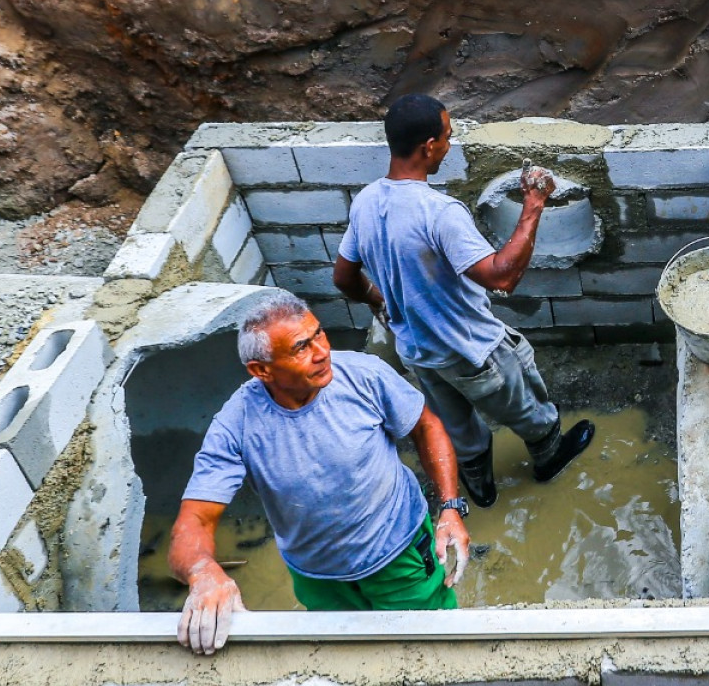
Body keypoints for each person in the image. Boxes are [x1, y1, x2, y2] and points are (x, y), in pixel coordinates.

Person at [332, 93, 592, 512]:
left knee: (457, 426)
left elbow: (344, 278)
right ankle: (548, 459)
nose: (449, 146)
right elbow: (502, 276)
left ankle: (482, 489)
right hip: (473, 350)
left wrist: (381, 298)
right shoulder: (439, 213)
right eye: (447, 138)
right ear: (428, 147)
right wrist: (533, 205)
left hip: (420, 351)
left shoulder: (365, 202)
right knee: (528, 409)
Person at [172, 292, 472, 654]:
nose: (322, 351)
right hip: (320, 576)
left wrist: (450, 508)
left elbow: (427, 427)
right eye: (301, 347)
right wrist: (203, 572)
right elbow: (195, 522)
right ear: (261, 370)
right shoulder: (237, 425)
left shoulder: (364, 375)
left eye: (319, 334)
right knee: (350, 657)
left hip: (399, 553)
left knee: (433, 645)